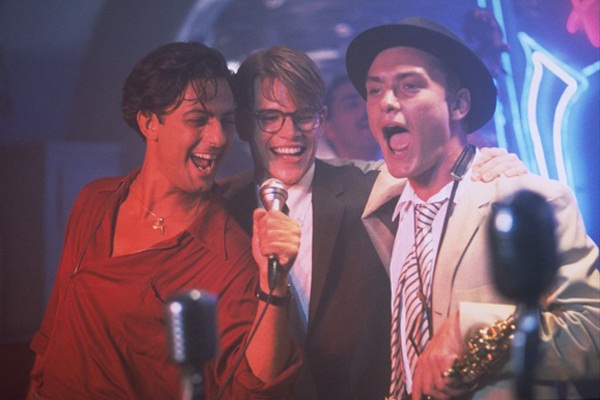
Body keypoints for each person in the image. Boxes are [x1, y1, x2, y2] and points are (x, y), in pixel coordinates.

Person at [219, 45, 526, 400]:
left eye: (304, 116)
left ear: (321, 118)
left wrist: (491, 164)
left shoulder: (373, 187)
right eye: (270, 118)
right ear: (244, 124)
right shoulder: (219, 206)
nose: (290, 133)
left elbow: (441, 166)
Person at [27, 42, 302, 400]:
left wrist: (274, 287)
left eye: (227, 121)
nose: (218, 138)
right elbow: (52, 335)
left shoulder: (227, 254)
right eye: (198, 119)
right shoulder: (96, 201)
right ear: (149, 122)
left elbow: (251, 385)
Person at [345, 16, 600, 400]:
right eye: (374, 90)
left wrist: (474, 328)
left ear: (459, 104)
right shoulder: (382, 200)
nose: (387, 102)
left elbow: (592, 331)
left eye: (410, 86)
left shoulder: (530, 200)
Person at [316, 74, 381, 161]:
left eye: (370, 101)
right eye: (353, 104)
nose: (366, 109)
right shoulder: (312, 168)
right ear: (327, 128)